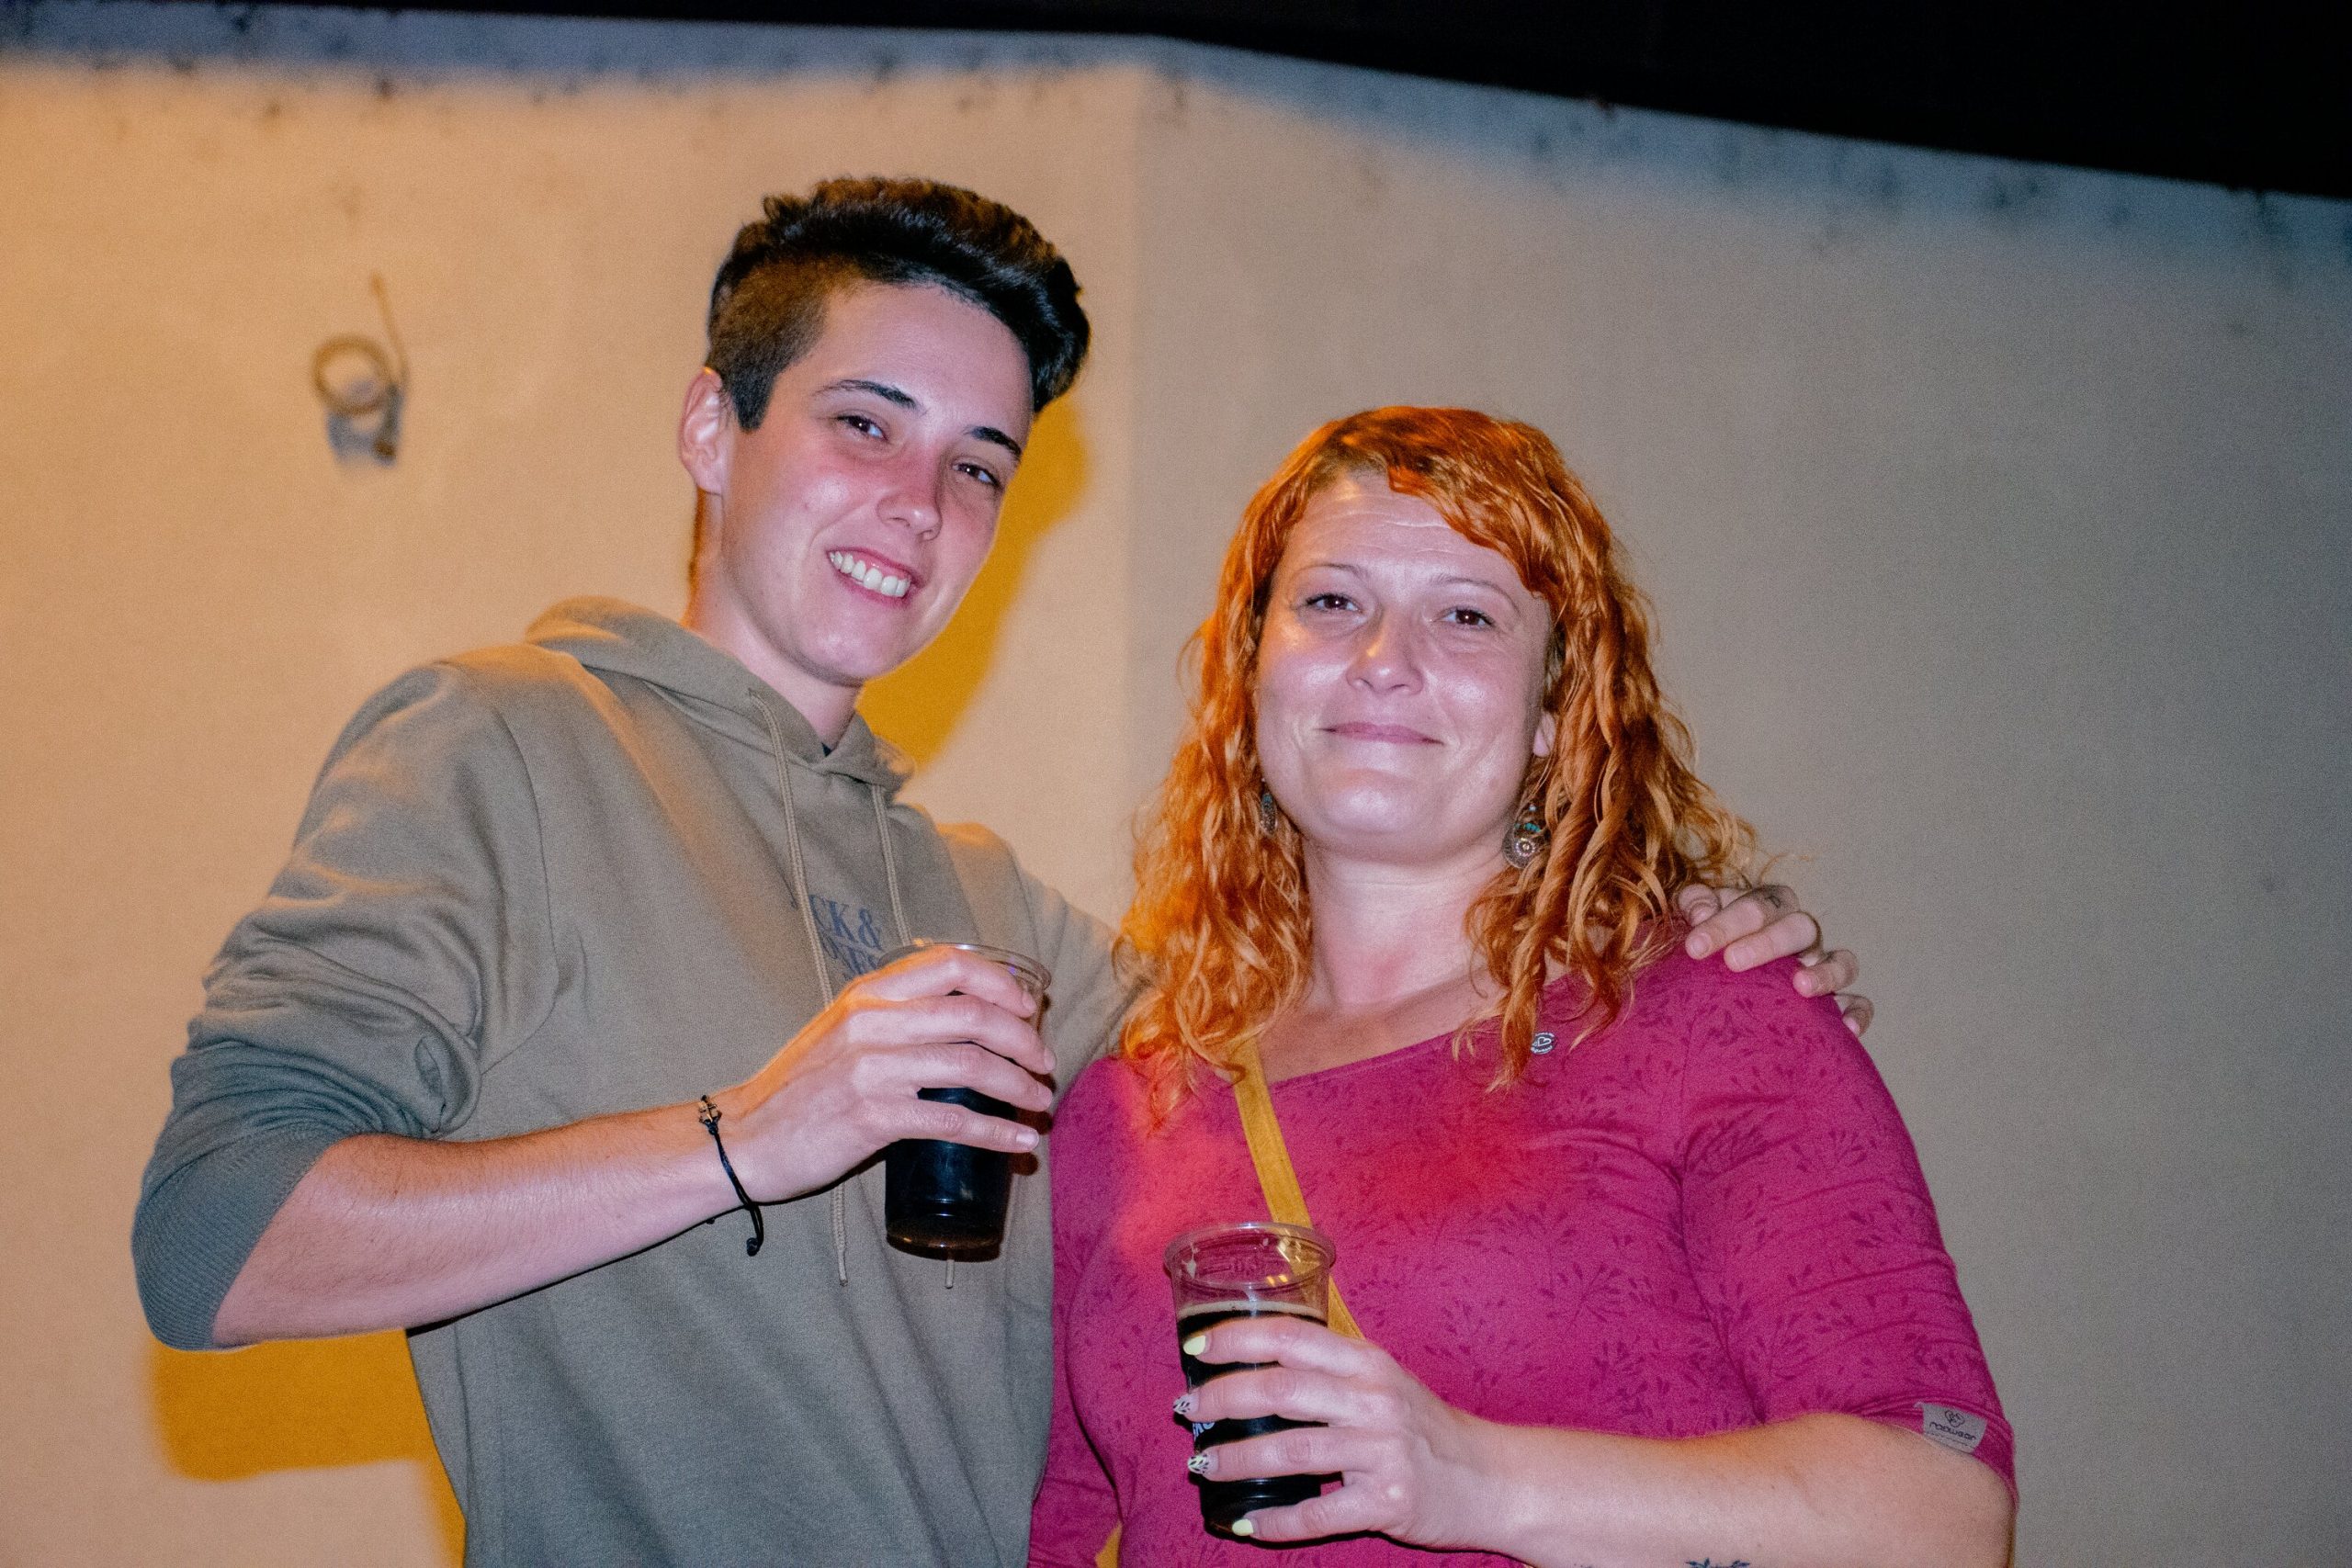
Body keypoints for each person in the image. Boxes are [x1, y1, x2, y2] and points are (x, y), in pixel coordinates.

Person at [132, 182, 1860, 1565]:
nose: (919, 501)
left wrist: (1642, 925)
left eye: (979, 464)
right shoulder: (503, 747)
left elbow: (1342, 1020)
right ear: (713, 426)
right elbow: (214, 1240)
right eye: (864, 424)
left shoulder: (991, 908)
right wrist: (750, 1136)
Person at [1030, 407, 2012, 1567]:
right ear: (1250, 673)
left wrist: (1472, 1480)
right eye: (1331, 602)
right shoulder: (1125, 1111)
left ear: (1554, 713)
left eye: (1465, 616)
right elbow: (1064, 1530)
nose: (1382, 659)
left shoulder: (1712, 1017)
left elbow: (1941, 1516)